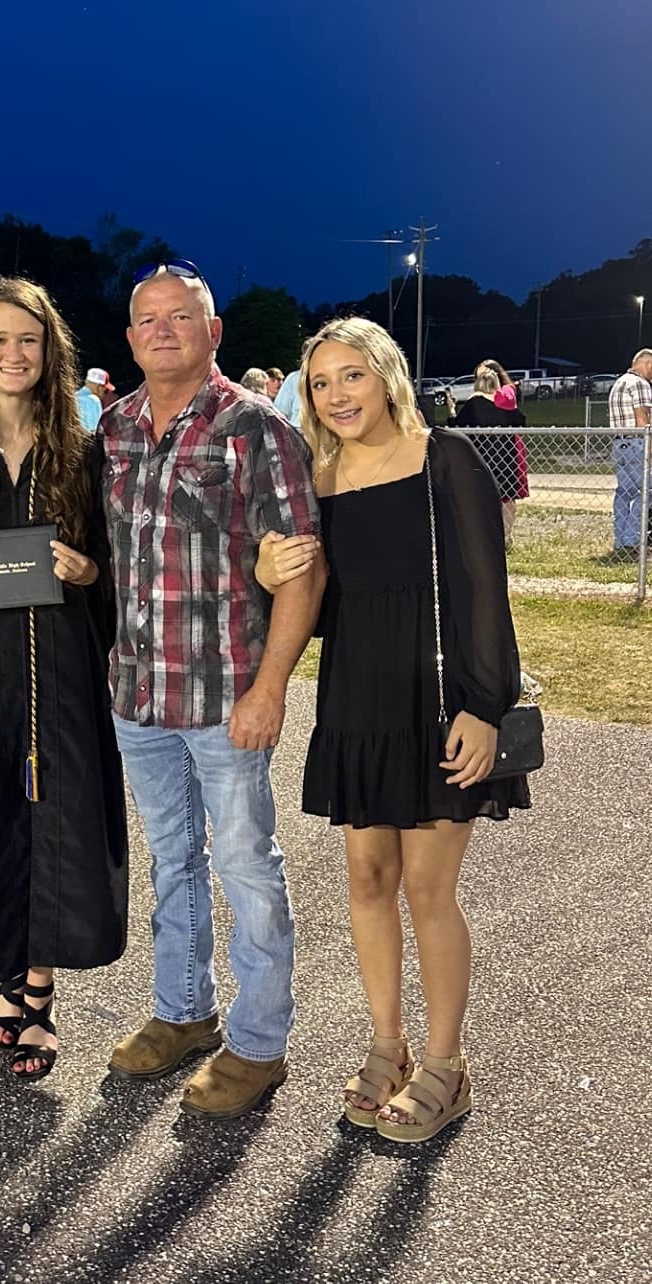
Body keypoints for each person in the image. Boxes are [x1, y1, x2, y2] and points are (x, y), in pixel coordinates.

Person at [256, 316, 529, 1143]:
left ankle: (447, 1065)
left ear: (387, 375)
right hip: (356, 696)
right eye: (322, 383)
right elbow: (330, 606)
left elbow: (487, 588)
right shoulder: (319, 477)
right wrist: (270, 574)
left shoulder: (442, 457)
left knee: (426, 888)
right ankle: (388, 1045)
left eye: (353, 376)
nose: (338, 395)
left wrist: (486, 705)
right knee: (368, 881)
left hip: (440, 700)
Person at [101, 259, 326, 1119]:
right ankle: (182, 1012)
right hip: (141, 694)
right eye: (148, 319)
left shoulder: (255, 427)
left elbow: (302, 570)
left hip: (228, 691)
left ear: (213, 331)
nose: (164, 329)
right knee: (172, 862)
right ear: (130, 338)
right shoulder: (114, 427)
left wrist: (271, 688)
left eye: (181, 316)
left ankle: (260, 1040)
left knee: (246, 865)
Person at [0, 277, 128, 1082]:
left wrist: (87, 570)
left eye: (28, 340)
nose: (13, 354)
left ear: (51, 352)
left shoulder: (84, 451)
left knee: (57, 815)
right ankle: (6, 969)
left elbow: (119, 563)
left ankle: (36, 989)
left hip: (62, 671)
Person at [453, 364, 528, 548]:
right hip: (507, 458)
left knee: (481, 498)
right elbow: (520, 422)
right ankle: (506, 536)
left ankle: (485, 536)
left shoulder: (473, 402)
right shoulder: (504, 402)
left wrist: (451, 409)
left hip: (482, 458)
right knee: (507, 498)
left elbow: (458, 426)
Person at [608, 349, 652, 553]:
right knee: (646, 492)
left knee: (624, 493)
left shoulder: (619, 383)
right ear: (647, 364)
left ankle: (620, 540)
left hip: (620, 444)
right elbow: (643, 418)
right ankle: (633, 540)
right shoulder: (640, 383)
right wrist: (649, 450)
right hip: (637, 443)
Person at [77, 366, 115, 432]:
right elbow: (95, 431)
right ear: (98, 387)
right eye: (105, 391)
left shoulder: (73, 397)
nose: (104, 395)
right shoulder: (93, 400)